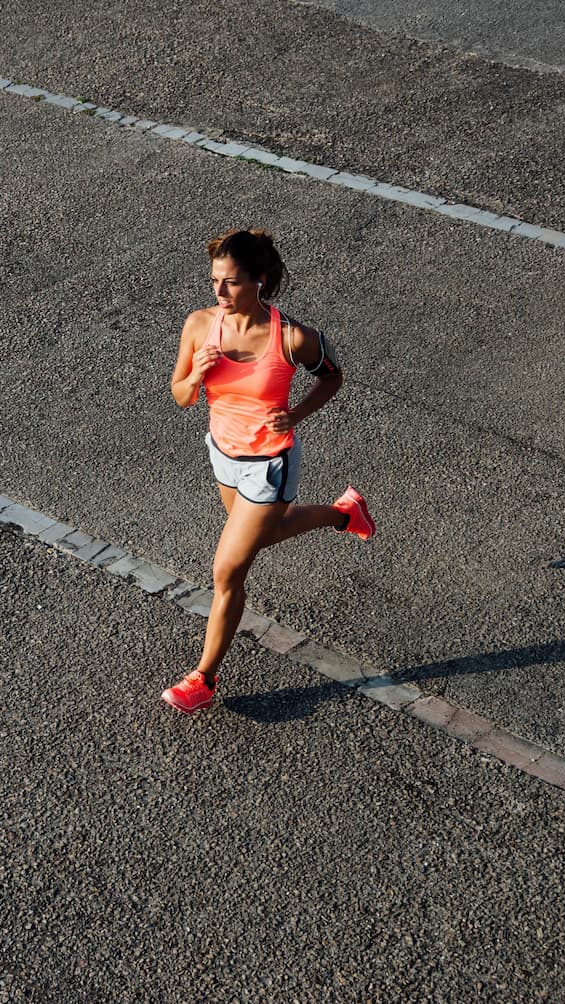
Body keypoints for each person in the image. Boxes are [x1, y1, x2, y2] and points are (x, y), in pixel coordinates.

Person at [162, 229, 374, 714]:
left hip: (269, 463)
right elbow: (181, 396)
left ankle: (204, 678)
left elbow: (332, 375)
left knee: (228, 569)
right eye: (215, 280)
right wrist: (197, 372)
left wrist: (297, 415)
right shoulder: (199, 326)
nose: (219, 293)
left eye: (231, 283)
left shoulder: (292, 337)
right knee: (261, 533)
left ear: (259, 280)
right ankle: (343, 513)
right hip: (222, 453)